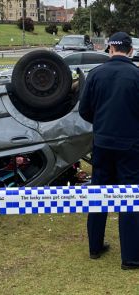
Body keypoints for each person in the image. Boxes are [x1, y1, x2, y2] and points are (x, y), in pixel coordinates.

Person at [79, 32, 139, 270]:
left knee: (99, 193)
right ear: (130, 51)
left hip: (102, 144)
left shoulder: (96, 74)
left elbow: (84, 110)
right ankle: (131, 257)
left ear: (110, 50)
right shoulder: (136, 75)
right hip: (131, 147)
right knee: (130, 199)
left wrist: (102, 124)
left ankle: (95, 247)